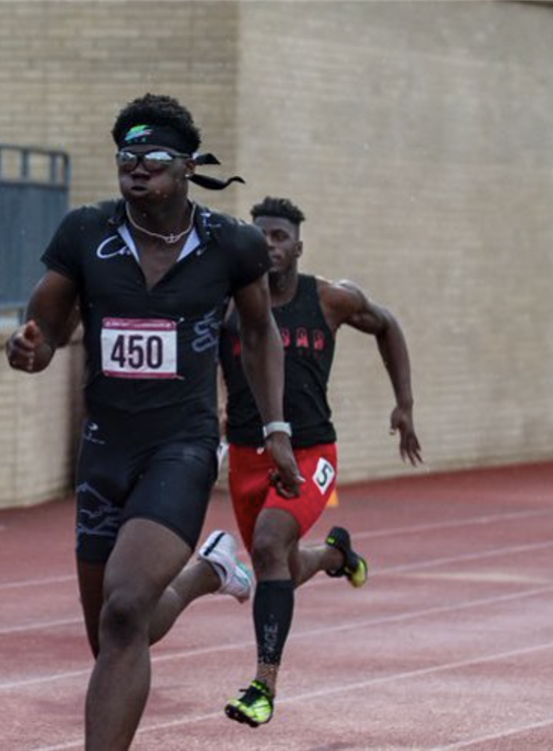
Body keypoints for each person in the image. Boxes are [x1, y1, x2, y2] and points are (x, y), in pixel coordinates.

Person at [5, 93, 302, 751]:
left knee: (126, 606)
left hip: (182, 448)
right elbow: (45, 332)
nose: (137, 169)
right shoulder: (86, 233)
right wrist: (28, 350)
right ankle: (205, 572)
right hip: (104, 451)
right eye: (126, 157)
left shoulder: (232, 244)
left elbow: (259, 333)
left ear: (189, 166)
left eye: (154, 158)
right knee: (115, 630)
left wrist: (276, 429)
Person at [211, 196, 422, 728]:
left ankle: (263, 685)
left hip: (310, 451)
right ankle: (334, 557)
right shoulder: (229, 305)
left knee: (265, 544)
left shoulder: (329, 299)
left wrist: (404, 404)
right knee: (273, 564)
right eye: (260, 237)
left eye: (279, 237)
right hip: (244, 452)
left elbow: (388, 324)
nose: (269, 246)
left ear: (298, 247)